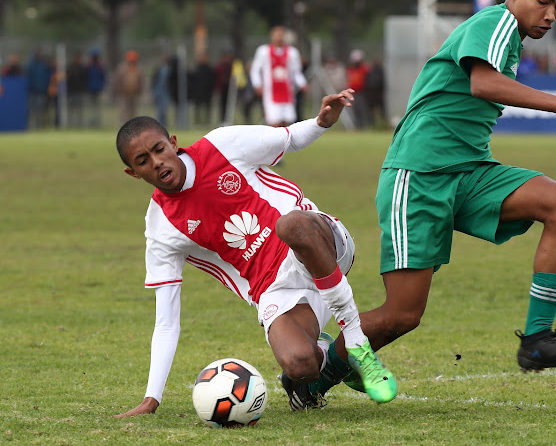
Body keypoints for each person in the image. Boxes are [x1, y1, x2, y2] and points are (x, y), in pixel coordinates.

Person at [292, 0, 556, 403]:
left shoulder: (512, 36)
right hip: (419, 175)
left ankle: (538, 340)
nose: (550, 15)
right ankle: (311, 380)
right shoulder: (496, 22)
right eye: (543, 1)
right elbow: (482, 82)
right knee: (403, 314)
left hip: (469, 170)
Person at [113, 88, 397, 418]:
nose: (157, 162)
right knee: (299, 364)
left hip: (318, 242)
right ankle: (328, 356)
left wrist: (321, 122)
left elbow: (288, 138)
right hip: (274, 288)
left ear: (173, 143)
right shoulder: (162, 227)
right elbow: (166, 321)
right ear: (133, 173)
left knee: (290, 225)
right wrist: (152, 398)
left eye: (159, 149)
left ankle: (357, 343)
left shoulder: (221, 144)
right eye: (143, 161)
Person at [249, 25, 308, 127]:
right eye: (277, 35)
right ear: (272, 36)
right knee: (274, 121)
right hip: (270, 91)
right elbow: (255, 70)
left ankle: (285, 142)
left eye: (281, 35)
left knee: (287, 120)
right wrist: (257, 84)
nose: (279, 37)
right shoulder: (263, 51)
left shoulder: (292, 52)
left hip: (287, 91)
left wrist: (302, 83)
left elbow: (296, 72)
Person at [112, 50, 144, 124]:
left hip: (134, 94)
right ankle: (123, 129)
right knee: (124, 113)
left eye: (133, 60)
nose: (132, 62)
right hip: (123, 94)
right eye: (130, 60)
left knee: (133, 114)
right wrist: (117, 91)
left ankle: (132, 129)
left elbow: (141, 82)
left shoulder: (138, 69)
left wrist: (140, 92)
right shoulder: (121, 68)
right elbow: (117, 81)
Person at [346, 49, 370, 129]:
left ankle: (363, 125)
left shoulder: (364, 69)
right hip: (352, 93)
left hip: (361, 92)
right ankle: (356, 125)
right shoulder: (350, 69)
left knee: (362, 109)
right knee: (354, 109)